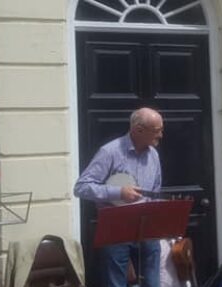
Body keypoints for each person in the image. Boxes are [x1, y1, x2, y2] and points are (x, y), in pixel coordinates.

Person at [74, 107, 165, 287]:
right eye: (157, 131)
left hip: (147, 229)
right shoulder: (110, 152)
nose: (161, 135)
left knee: (153, 283)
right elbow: (81, 187)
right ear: (139, 130)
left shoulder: (153, 155)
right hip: (116, 228)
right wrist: (118, 192)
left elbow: (156, 189)